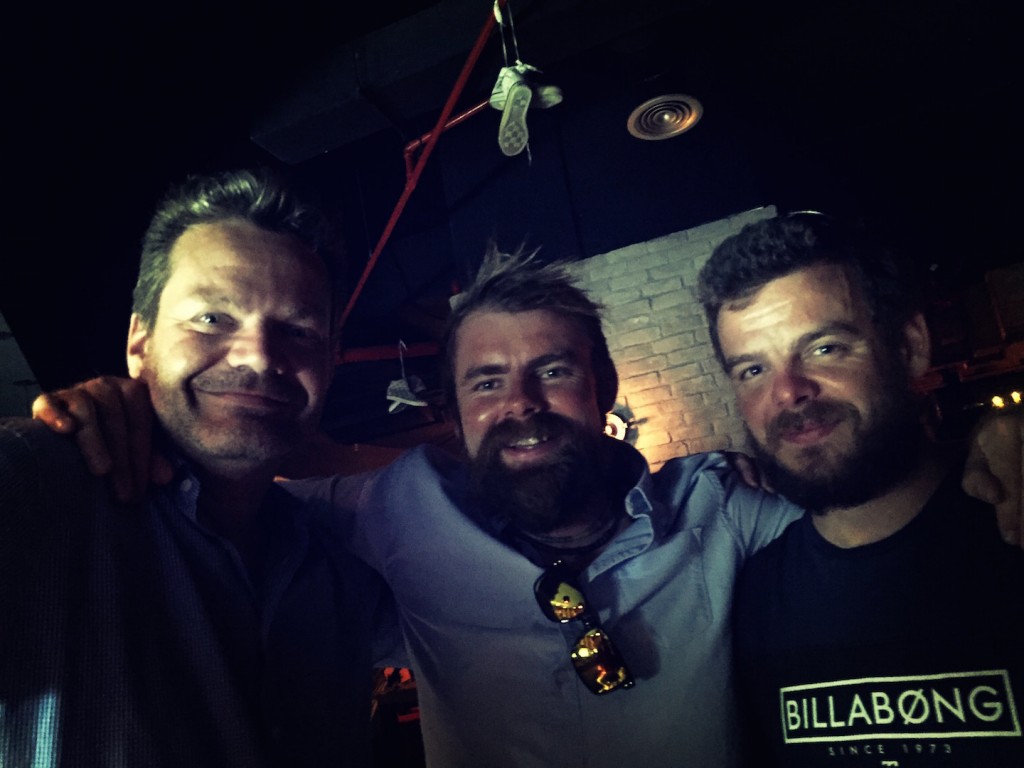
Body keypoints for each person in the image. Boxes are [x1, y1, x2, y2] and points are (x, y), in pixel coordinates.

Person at [29, 245, 1022, 767]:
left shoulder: (718, 503)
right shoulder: (397, 508)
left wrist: (989, 442)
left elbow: (857, 481)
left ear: (602, 387)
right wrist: (136, 406)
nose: (520, 405)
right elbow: (243, 466)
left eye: (551, 370)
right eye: (486, 382)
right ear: (455, 411)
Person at [0, 169, 390, 767]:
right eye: (212, 318)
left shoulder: (337, 569)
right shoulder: (39, 485)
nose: (259, 355)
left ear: (330, 365)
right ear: (139, 343)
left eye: (298, 330)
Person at [697, 213, 1024, 765]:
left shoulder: (1012, 524)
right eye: (753, 370)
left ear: (910, 346)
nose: (788, 392)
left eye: (824, 348)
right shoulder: (750, 600)